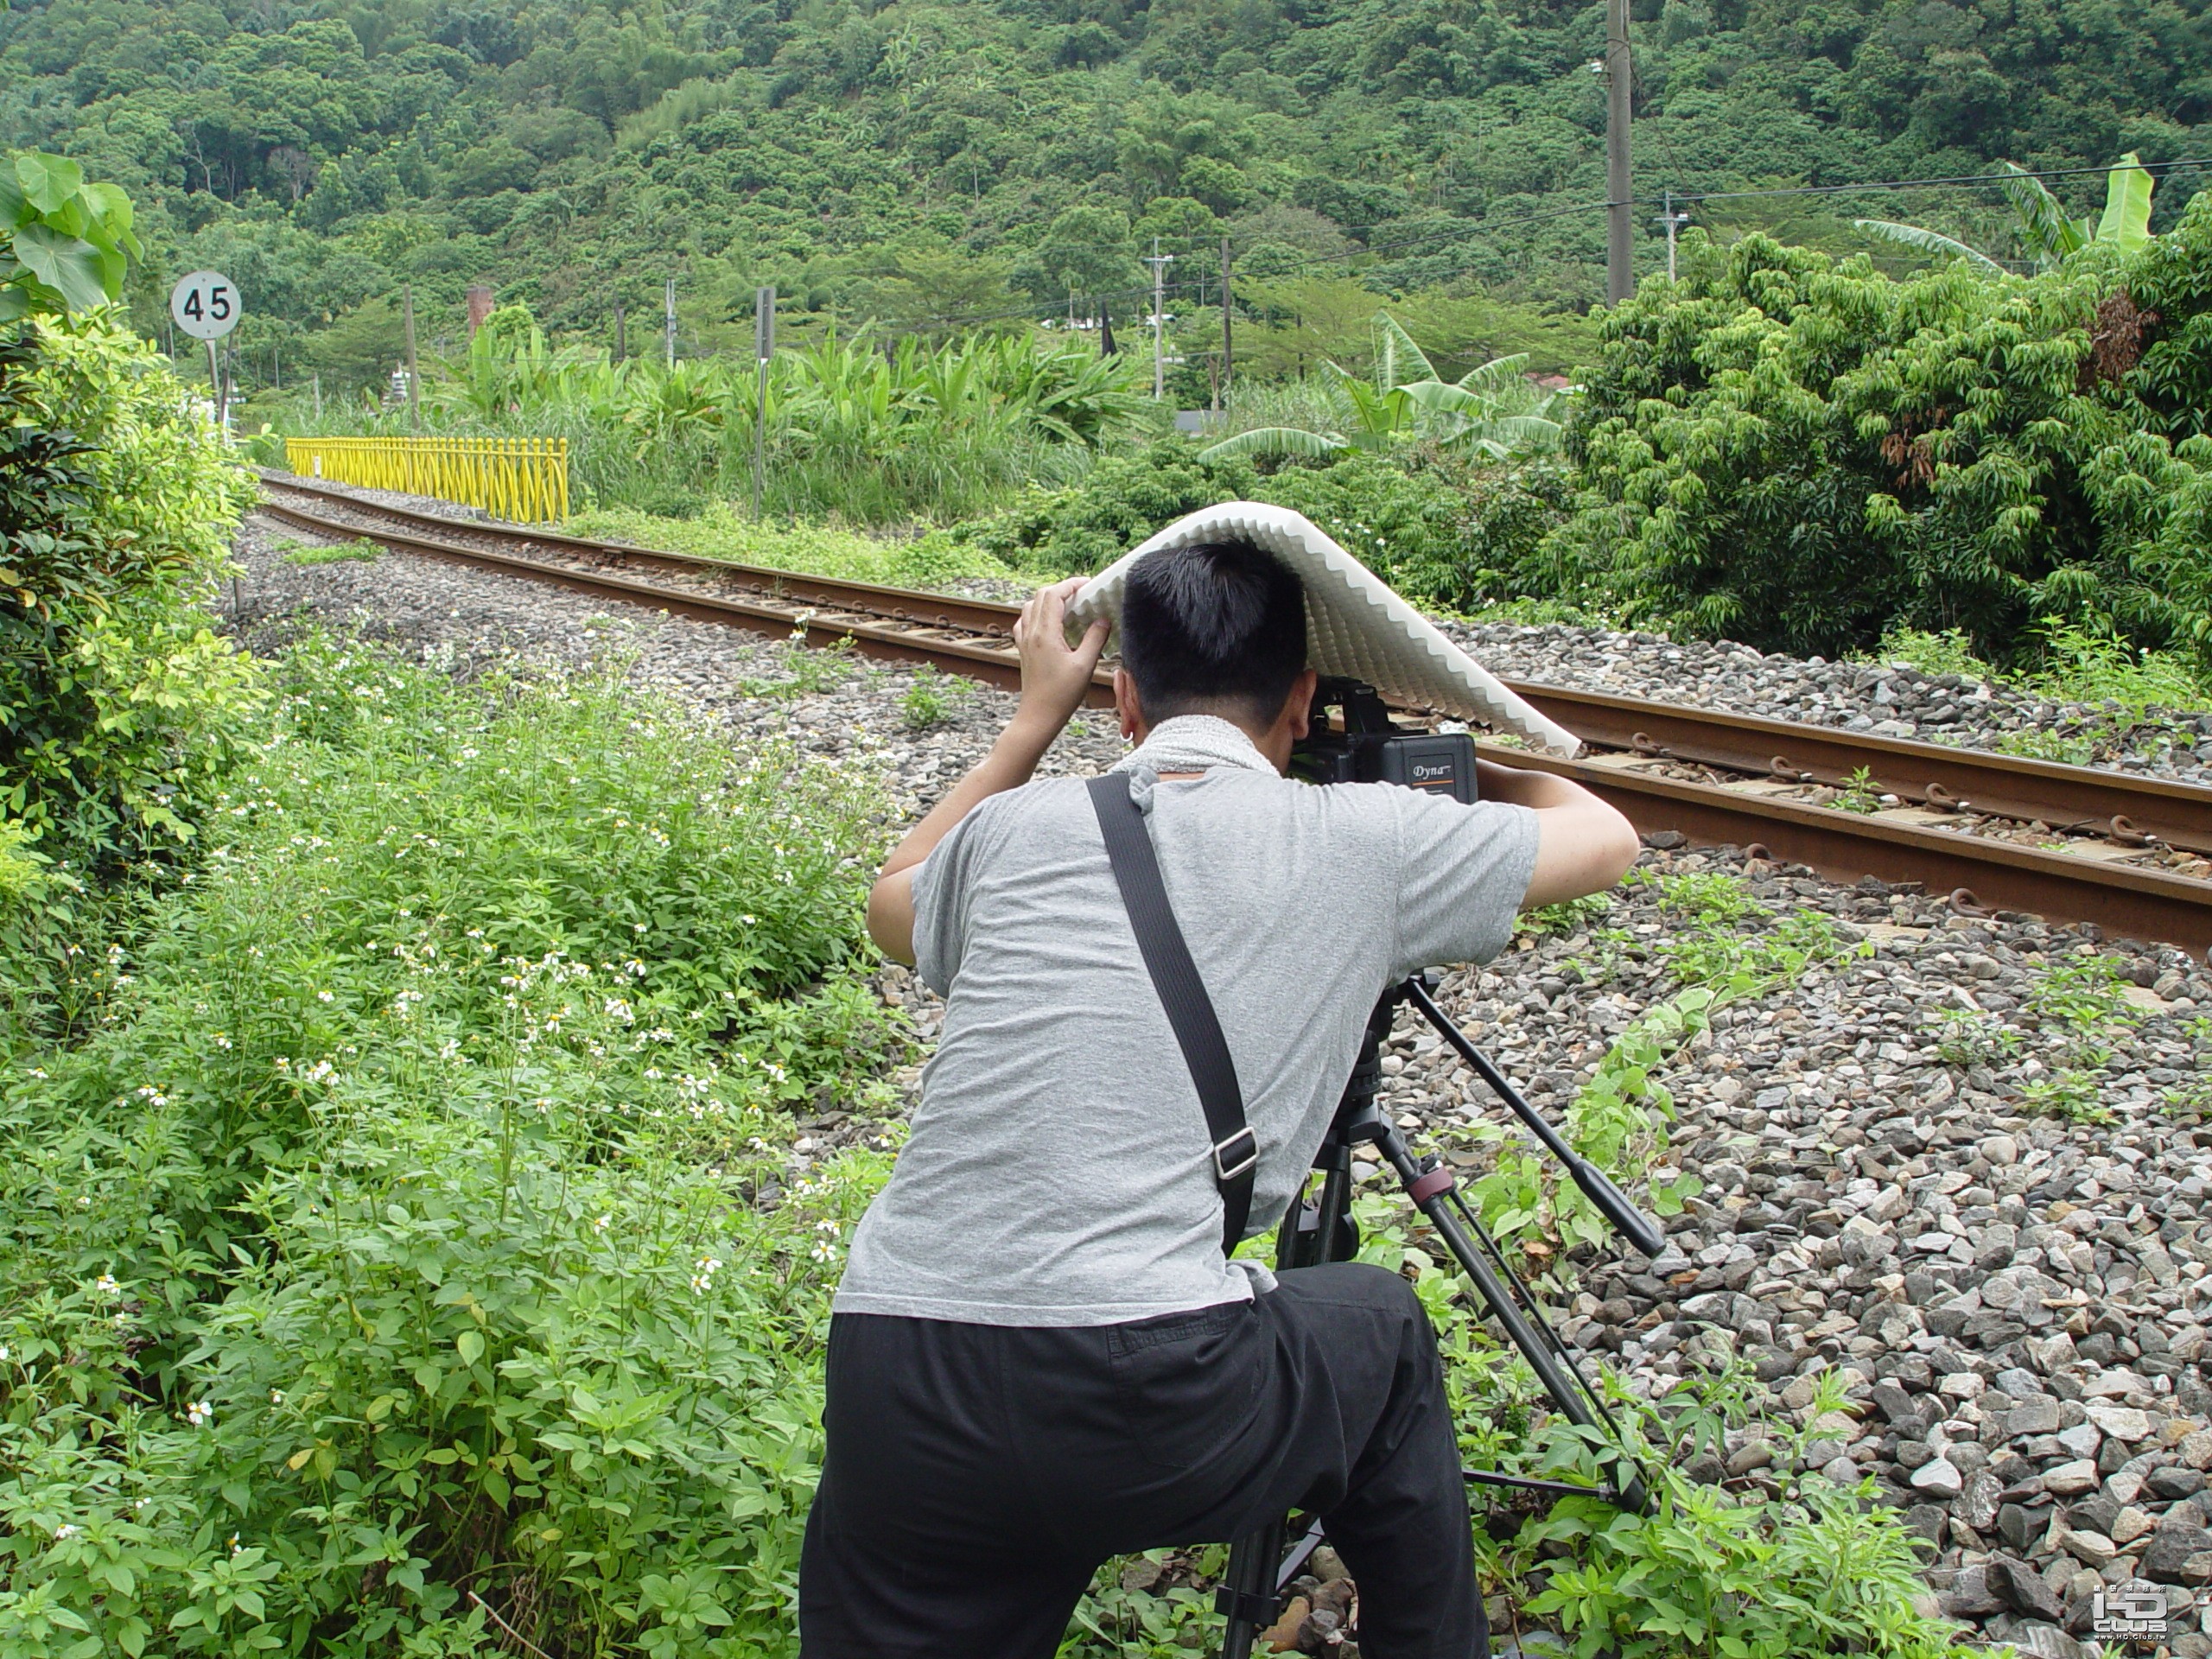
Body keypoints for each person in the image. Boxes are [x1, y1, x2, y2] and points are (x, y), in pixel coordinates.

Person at [800, 541, 1640, 1659]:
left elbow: (890, 902)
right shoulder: (1362, 843)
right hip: (1144, 1387)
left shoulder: (1008, 837)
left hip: (897, 1367)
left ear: (1126, 699)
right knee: (1383, 1337)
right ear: (1300, 698)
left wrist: (1028, 725)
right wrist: (1440, 766)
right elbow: (1608, 838)